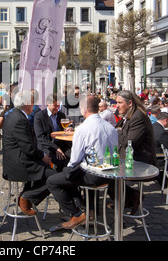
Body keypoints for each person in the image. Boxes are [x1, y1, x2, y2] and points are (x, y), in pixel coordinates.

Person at [46, 95, 118, 229]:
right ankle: (89, 209)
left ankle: (76, 214)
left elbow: (75, 160)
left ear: (83, 109)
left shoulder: (82, 129)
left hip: (93, 174)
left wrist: (68, 170)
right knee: (69, 174)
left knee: (53, 181)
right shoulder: (110, 127)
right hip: (110, 173)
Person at [2, 90, 57, 215]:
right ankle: (26, 198)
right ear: (27, 103)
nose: (34, 105)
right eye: (32, 102)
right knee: (54, 177)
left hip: (15, 159)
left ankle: (24, 196)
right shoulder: (19, 119)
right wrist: (43, 156)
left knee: (46, 169)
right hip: (18, 163)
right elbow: (29, 148)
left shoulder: (14, 114)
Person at [115, 90, 157, 214]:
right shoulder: (129, 116)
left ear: (130, 103)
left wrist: (118, 132)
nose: (116, 106)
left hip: (139, 161)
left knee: (110, 178)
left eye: (119, 103)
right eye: (116, 102)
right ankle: (126, 201)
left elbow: (130, 142)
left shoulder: (138, 117)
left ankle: (131, 197)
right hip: (127, 158)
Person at [34, 93, 71, 171]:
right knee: (62, 160)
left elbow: (62, 131)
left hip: (60, 144)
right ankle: (57, 178)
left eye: (58, 105)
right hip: (47, 146)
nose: (58, 108)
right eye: (55, 105)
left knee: (72, 156)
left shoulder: (61, 115)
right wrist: (56, 148)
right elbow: (40, 137)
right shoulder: (39, 116)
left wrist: (67, 130)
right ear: (48, 103)